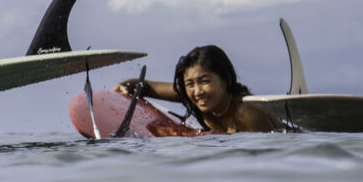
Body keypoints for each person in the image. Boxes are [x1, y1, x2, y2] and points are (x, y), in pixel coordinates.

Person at [114, 45, 282, 133]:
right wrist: (121, 89)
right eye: (190, 84)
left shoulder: (247, 112)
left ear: (227, 79)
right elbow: (145, 86)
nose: (197, 91)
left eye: (204, 81)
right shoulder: (195, 98)